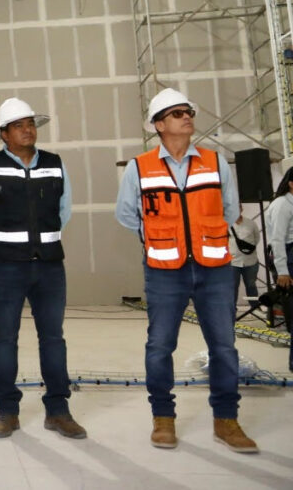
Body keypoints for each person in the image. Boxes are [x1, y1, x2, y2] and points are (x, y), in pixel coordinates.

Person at [115, 87, 256, 453]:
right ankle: (163, 417)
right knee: (160, 345)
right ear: (159, 125)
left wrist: (200, 236)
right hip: (164, 270)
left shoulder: (215, 162)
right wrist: (159, 237)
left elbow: (229, 209)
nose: (187, 117)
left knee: (223, 346)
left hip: (215, 269)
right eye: (177, 113)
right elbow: (126, 214)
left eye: (188, 112)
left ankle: (226, 420)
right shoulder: (139, 167)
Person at [0, 97, 85, 440]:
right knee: (5, 338)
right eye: (19, 126)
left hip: (49, 266)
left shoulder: (55, 164)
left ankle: (58, 411)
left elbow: (64, 211)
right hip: (4, 267)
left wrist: (42, 241)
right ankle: (7, 411)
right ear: (4, 134)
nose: (28, 130)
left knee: (53, 338)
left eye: (30, 124)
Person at [264, 166, 293, 372]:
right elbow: (277, 239)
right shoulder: (282, 204)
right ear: (291, 184)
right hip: (289, 258)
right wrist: (282, 270)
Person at [228, 209, 260, 307]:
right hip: (232, 262)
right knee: (232, 287)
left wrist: (247, 249)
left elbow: (257, 238)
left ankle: (254, 307)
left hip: (250, 261)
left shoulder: (251, 223)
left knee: (251, 286)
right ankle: (231, 310)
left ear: (241, 209)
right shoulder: (226, 224)